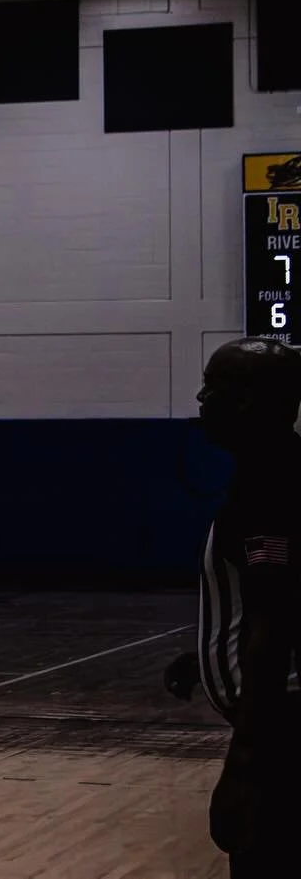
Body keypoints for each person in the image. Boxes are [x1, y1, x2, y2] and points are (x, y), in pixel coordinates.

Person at [172, 338, 301, 878]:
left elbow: (272, 622)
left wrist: (245, 766)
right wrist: (204, 659)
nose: (201, 399)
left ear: (246, 400)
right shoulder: (280, 471)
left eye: (211, 387)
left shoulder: (267, 488)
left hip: (280, 732)